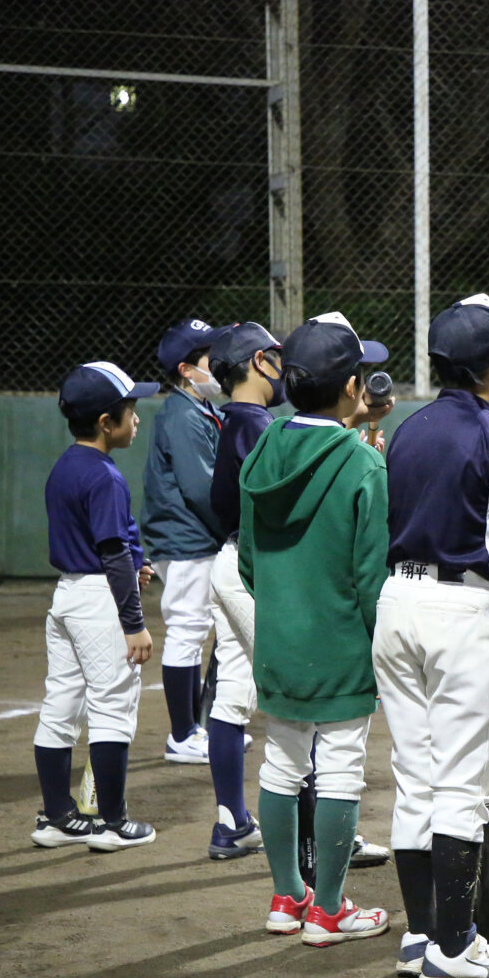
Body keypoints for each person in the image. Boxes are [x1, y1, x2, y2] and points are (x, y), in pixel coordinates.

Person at [376, 293, 489, 978]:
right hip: (460, 608)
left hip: (398, 600)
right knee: (462, 774)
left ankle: (422, 932)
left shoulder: (407, 431)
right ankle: (457, 947)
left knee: (415, 769)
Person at [239, 311, 391, 947]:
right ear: (354, 386)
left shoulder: (263, 448)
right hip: (341, 646)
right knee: (339, 773)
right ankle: (327, 908)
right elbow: (370, 580)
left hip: (278, 639)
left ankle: (286, 897)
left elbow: (248, 562)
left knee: (280, 766)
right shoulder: (362, 466)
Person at [31, 362, 162, 852]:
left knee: (60, 702)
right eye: (130, 412)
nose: (137, 420)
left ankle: (57, 815)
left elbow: (103, 545)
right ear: (106, 423)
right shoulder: (105, 476)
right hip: (99, 600)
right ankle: (112, 823)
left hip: (67, 595)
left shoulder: (66, 464)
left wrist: (133, 564)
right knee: (112, 706)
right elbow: (110, 551)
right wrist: (135, 623)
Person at [201, 321, 284, 860]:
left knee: (233, 692)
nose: (283, 366)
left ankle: (231, 820)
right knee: (299, 691)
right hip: (253, 568)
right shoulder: (256, 424)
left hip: (227, 561)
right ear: (258, 362)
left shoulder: (235, 421)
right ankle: (316, 837)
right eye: (275, 356)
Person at [141, 318, 230, 765]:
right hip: (186, 539)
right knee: (187, 630)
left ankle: (198, 727)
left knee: (198, 629)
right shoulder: (182, 413)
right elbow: (200, 488)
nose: (218, 364)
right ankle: (182, 734)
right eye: (209, 358)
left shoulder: (200, 409)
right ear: (186, 370)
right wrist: (232, 527)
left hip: (194, 538)